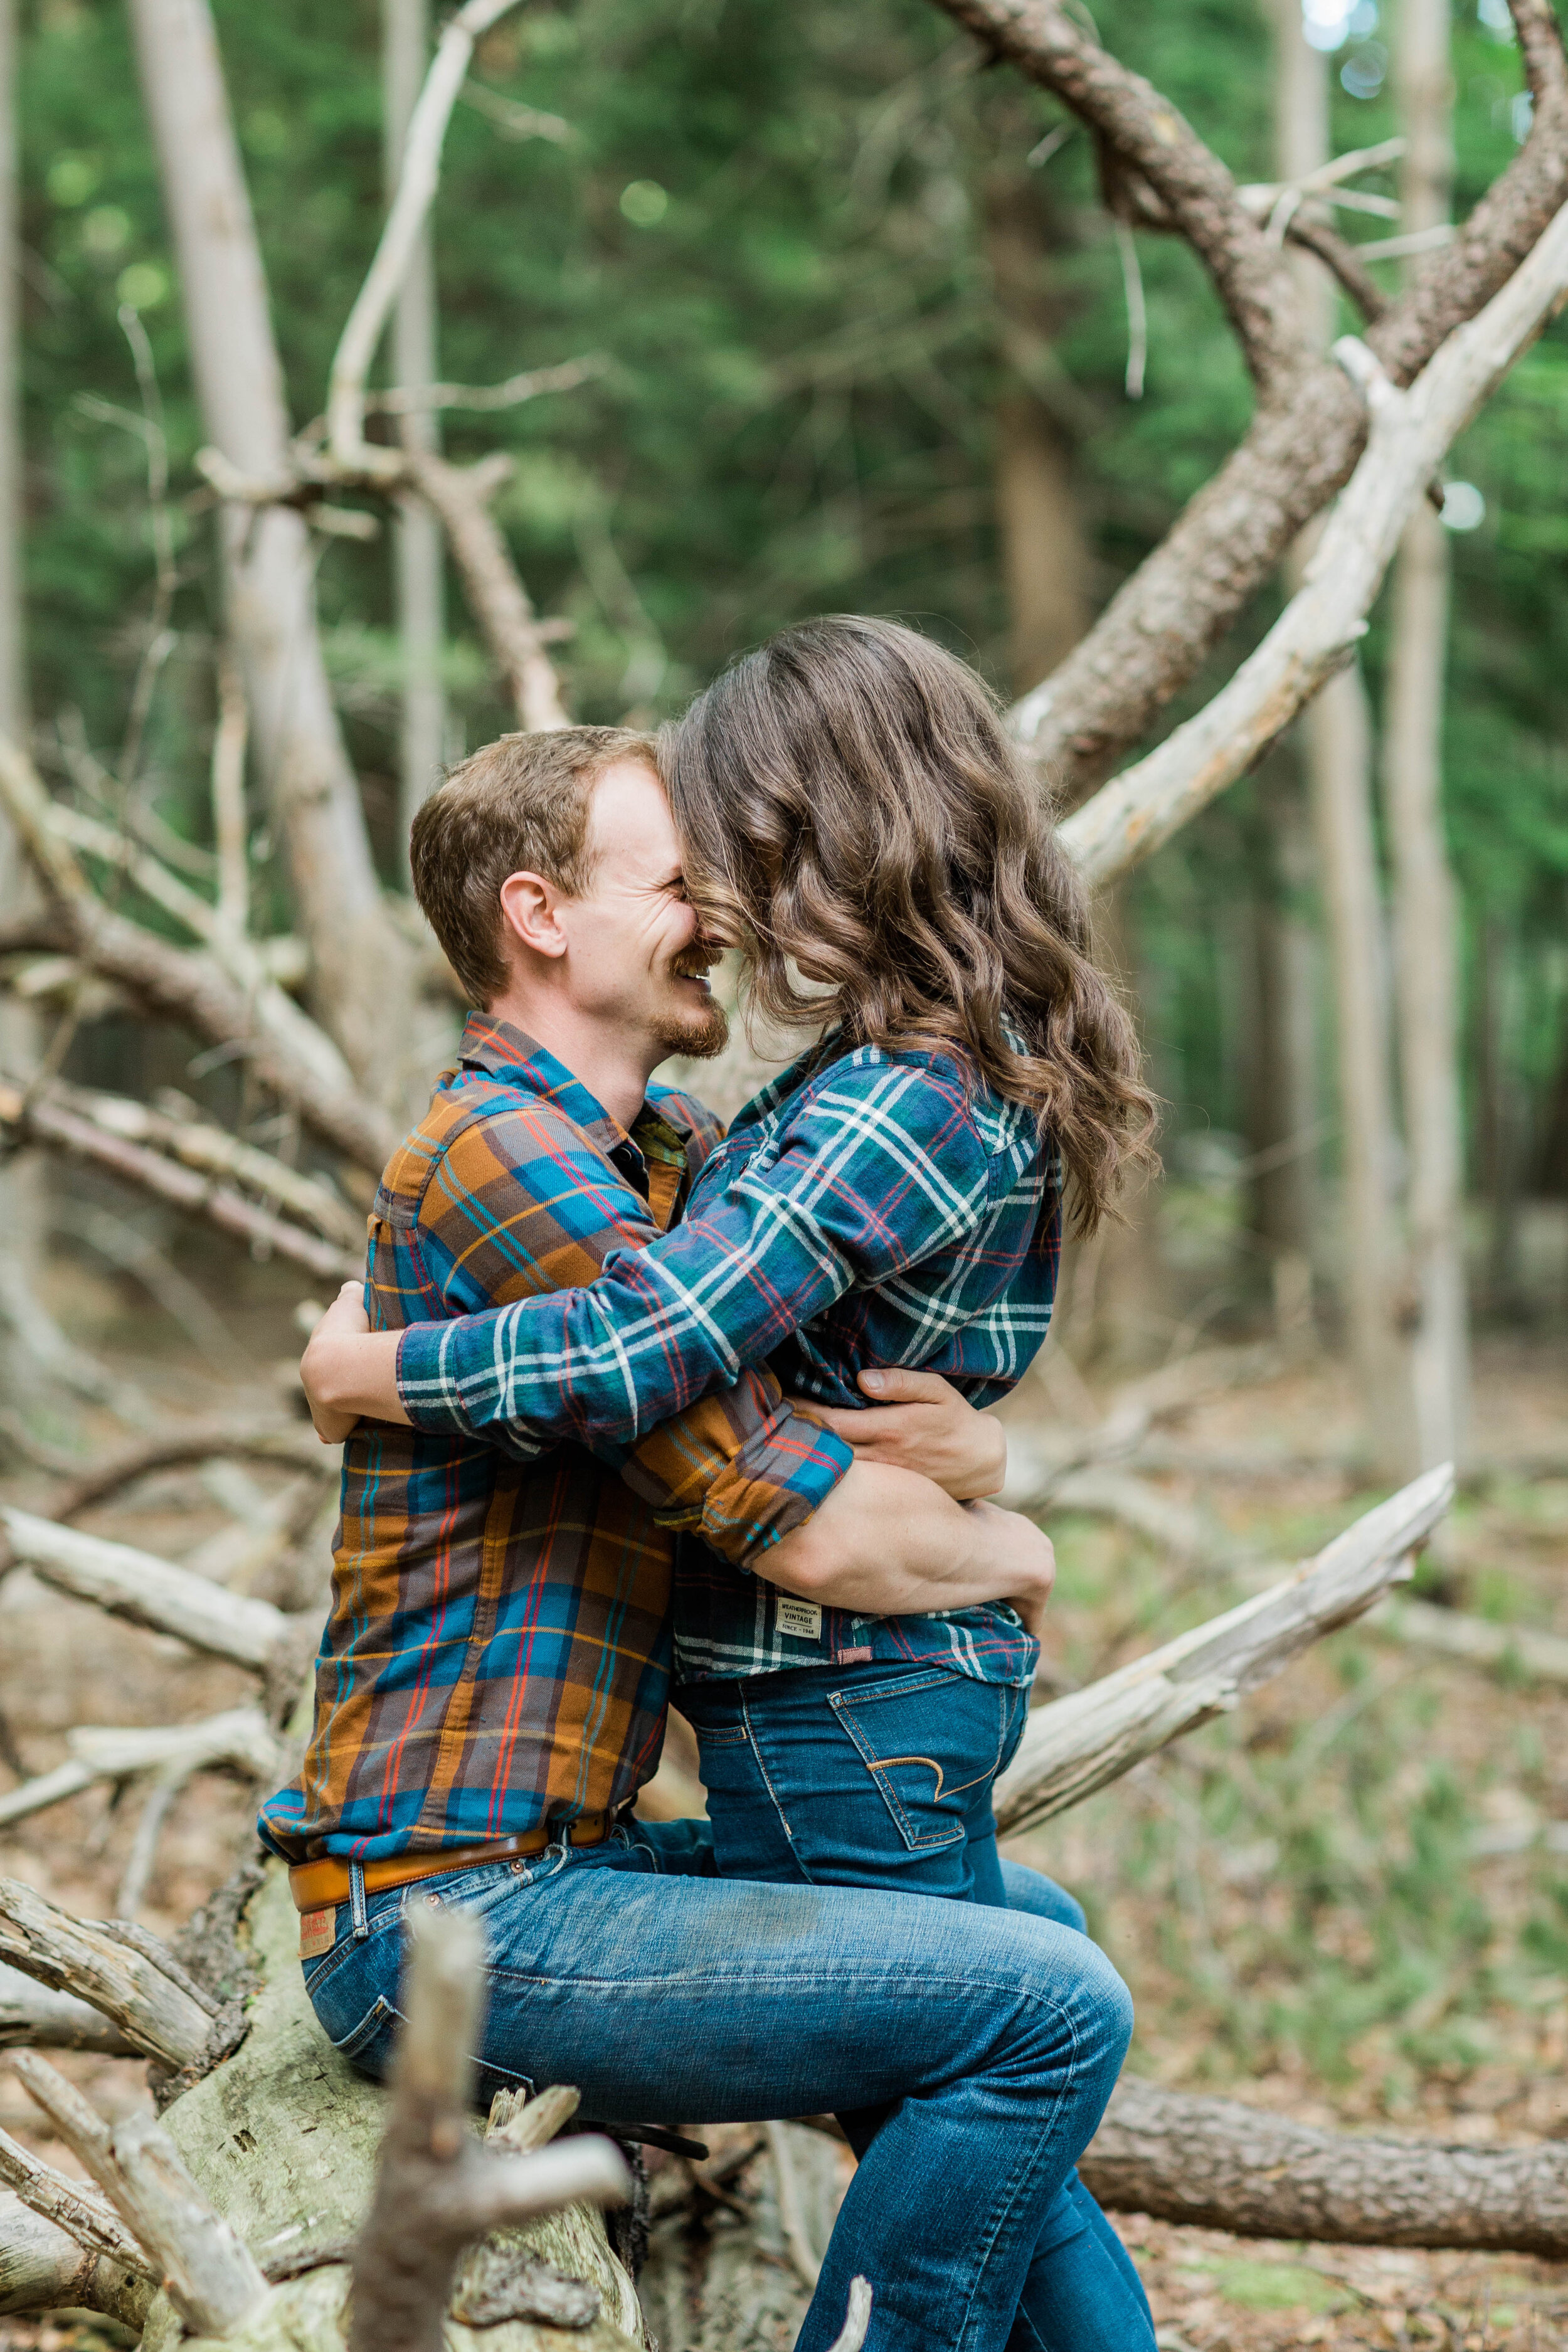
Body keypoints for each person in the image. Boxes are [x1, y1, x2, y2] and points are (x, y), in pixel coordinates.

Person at [297, 621, 1159, 2348]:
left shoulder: (674, 1149)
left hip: (562, 1855)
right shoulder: (515, 1153)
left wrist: (993, 1478)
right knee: (1039, 2007)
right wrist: (1002, 1538)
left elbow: (761, 1373)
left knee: (1029, 1955)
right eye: (678, 876)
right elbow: (775, 1489)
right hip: (453, 1908)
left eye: (730, 863)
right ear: (542, 918)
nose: (725, 908)